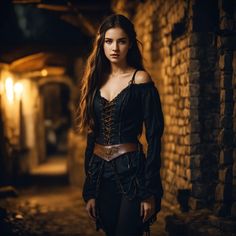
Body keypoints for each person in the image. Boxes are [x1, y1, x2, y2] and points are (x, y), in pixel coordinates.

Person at [77, 14, 164, 236]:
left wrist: (149, 191)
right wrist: (90, 190)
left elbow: (154, 136)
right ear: (102, 44)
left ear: (130, 44)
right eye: (109, 41)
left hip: (132, 173)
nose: (114, 47)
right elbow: (92, 133)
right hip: (99, 173)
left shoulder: (140, 80)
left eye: (121, 41)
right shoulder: (95, 81)